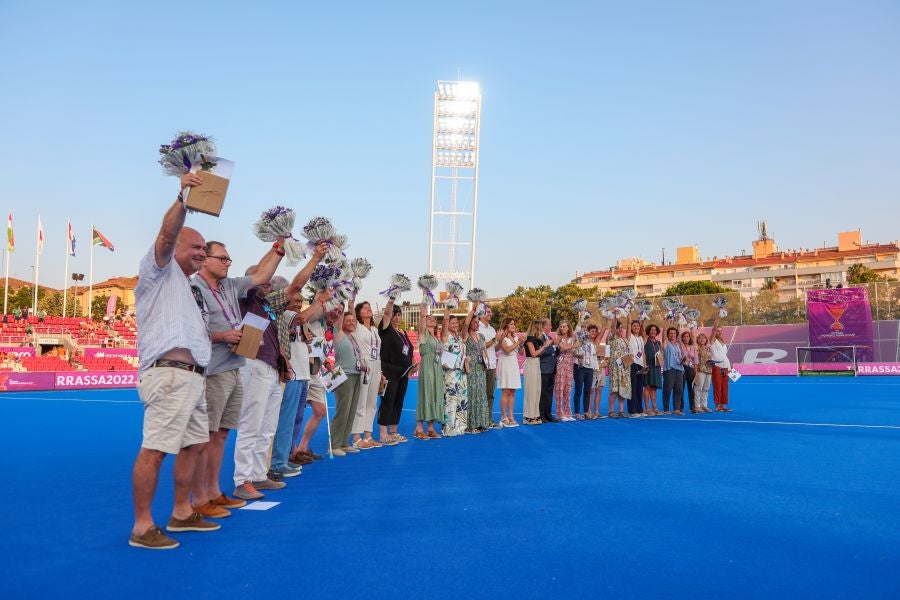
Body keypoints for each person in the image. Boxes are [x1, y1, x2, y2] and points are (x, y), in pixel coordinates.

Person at [129, 173, 217, 550]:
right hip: (168, 375)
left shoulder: (190, 286)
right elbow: (165, 236)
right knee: (156, 448)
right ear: (176, 243)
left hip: (193, 378)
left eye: (204, 248)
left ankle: (181, 512)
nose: (201, 252)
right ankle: (142, 526)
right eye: (195, 246)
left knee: (195, 445)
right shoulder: (157, 269)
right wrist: (184, 197)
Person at [189, 237, 304, 516]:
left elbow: (266, 274)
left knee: (229, 431)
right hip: (224, 366)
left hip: (242, 364)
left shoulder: (235, 290)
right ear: (206, 259)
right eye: (223, 258)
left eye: (229, 259)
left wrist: (279, 246)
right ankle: (232, 484)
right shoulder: (216, 290)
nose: (228, 263)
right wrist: (221, 335)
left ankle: (227, 486)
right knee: (220, 432)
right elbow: (190, 327)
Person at [232, 251, 324, 500]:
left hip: (272, 369)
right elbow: (294, 285)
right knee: (252, 425)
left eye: (269, 279)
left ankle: (260, 475)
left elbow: (296, 287)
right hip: (253, 365)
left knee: (267, 427)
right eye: (263, 278)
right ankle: (243, 479)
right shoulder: (244, 299)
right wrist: (313, 258)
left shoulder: (267, 305)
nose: (268, 282)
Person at [270, 291, 330, 474]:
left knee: (295, 420)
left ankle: (288, 454)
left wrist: (309, 340)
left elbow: (306, 337)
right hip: (292, 373)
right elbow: (303, 317)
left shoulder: (299, 323)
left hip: (304, 373)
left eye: (300, 301)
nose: (298, 304)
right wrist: (320, 300)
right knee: (286, 420)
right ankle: (277, 462)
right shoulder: (286, 316)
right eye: (295, 300)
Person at [291, 303, 343, 462]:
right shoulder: (314, 320)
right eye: (334, 309)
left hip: (316, 372)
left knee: (320, 411)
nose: (336, 313)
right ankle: (291, 450)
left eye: (340, 311)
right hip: (302, 370)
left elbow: (321, 350)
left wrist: (326, 361)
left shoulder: (329, 329)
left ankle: (302, 448)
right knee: (295, 413)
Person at [378, 298, 415, 445]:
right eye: (394, 314)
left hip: (404, 373)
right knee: (388, 401)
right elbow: (386, 314)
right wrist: (392, 298)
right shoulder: (386, 329)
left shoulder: (403, 332)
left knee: (398, 402)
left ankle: (393, 431)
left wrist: (413, 365)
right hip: (389, 371)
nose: (397, 317)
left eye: (399, 315)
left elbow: (409, 351)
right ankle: (383, 435)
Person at [329, 310, 363, 456]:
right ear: (341, 322)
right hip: (343, 375)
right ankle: (334, 445)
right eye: (348, 320)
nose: (351, 322)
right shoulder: (339, 334)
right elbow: (339, 317)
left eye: (353, 321)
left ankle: (344, 443)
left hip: (356, 375)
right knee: (342, 410)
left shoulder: (353, 338)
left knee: (351, 411)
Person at [349, 301, 383, 449]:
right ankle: (356, 437)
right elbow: (350, 308)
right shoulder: (357, 327)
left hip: (376, 363)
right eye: (364, 307)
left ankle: (368, 435)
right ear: (358, 312)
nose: (368, 309)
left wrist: (381, 372)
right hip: (364, 363)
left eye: (369, 307)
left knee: (372, 403)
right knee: (361, 402)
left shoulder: (375, 329)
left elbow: (379, 350)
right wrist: (352, 298)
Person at [414, 301, 444, 439]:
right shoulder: (423, 334)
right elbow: (422, 318)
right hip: (427, 366)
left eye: (434, 318)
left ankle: (431, 428)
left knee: (434, 394)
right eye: (429, 318)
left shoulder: (436, 338)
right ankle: (419, 429)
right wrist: (424, 302)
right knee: (425, 393)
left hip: (437, 367)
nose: (432, 319)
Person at [440, 304, 468, 436]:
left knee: (461, 399)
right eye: (453, 322)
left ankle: (460, 426)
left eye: (457, 322)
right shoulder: (445, 336)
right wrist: (449, 307)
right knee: (450, 399)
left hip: (461, 373)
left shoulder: (460, 338)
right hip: (450, 373)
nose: (456, 324)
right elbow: (444, 321)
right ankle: (449, 428)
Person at [463, 301, 489, 433]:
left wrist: (486, 363)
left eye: (478, 322)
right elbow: (466, 323)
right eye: (475, 322)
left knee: (481, 395)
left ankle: (481, 423)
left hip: (481, 369)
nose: (477, 324)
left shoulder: (482, 336)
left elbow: (484, 352)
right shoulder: (466, 336)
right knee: (472, 395)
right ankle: (470, 425)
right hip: (470, 369)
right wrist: (473, 310)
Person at [477, 305, 502, 429]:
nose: (490, 314)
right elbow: (481, 346)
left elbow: (495, 348)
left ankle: (488, 419)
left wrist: (499, 340)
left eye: (491, 312)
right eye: (488, 312)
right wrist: (494, 339)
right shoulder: (477, 328)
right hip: (481, 365)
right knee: (481, 394)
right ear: (481, 314)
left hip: (492, 364)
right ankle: (480, 419)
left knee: (490, 394)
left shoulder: (492, 328)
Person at [496, 317, 523, 426]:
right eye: (511, 324)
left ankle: (511, 416)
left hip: (513, 364)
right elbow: (507, 350)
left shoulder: (516, 337)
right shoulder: (502, 337)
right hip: (505, 363)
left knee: (513, 391)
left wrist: (521, 344)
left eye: (514, 324)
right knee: (505, 391)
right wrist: (518, 343)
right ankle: (503, 416)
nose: (514, 326)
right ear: (506, 325)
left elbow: (521, 353)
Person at [523, 320, 548, 425]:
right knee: (531, 390)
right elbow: (533, 354)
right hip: (531, 364)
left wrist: (544, 346)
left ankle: (535, 414)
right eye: (541, 327)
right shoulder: (529, 339)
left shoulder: (538, 340)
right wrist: (544, 346)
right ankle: (528, 416)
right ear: (536, 328)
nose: (542, 329)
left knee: (537, 390)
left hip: (537, 364)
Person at [572, 313, 597, 419]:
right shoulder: (579, 340)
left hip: (589, 369)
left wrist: (595, 369)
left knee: (588, 390)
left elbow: (594, 357)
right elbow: (577, 330)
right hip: (580, 367)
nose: (587, 334)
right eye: (586, 331)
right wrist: (580, 319)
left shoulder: (592, 344)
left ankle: (587, 412)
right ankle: (577, 413)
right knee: (578, 390)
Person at [553, 320, 578, 422]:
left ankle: (567, 413)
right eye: (561, 326)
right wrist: (575, 345)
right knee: (559, 390)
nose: (562, 328)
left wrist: (578, 355)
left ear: (568, 328)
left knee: (568, 390)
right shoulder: (557, 338)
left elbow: (572, 352)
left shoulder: (572, 338)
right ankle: (560, 413)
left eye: (564, 326)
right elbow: (562, 349)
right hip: (560, 366)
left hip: (569, 366)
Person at [606, 318, 631, 418]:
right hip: (615, 368)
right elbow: (612, 327)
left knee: (623, 389)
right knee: (614, 390)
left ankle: (621, 411)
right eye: (619, 328)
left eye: (622, 328)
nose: (621, 330)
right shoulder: (611, 338)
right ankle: (611, 411)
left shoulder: (625, 339)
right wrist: (615, 317)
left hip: (625, 368)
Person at [709, 317, 733, 412]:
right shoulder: (712, 341)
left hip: (726, 366)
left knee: (724, 386)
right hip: (717, 366)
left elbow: (724, 355)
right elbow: (713, 329)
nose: (719, 332)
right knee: (717, 386)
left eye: (721, 331)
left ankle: (723, 405)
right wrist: (718, 317)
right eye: (718, 331)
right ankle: (717, 405)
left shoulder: (723, 342)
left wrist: (730, 365)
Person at [661, 326, 685, 415]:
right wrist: (667, 321)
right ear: (667, 335)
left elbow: (679, 356)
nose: (673, 335)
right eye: (670, 333)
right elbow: (663, 335)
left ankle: (677, 409)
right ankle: (666, 409)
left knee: (679, 390)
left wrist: (683, 359)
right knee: (667, 389)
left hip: (679, 369)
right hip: (669, 369)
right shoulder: (666, 343)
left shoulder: (678, 345)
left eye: (674, 333)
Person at [538, 318, 558, 423]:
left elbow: (554, 351)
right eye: (549, 325)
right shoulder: (540, 337)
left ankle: (548, 414)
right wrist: (554, 346)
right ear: (543, 326)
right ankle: (541, 415)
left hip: (551, 369)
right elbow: (541, 352)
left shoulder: (549, 337)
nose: (551, 327)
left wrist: (556, 346)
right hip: (544, 369)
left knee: (549, 392)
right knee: (543, 393)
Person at [627, 321, 646, 417]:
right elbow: (628, 324)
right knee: (633, 387)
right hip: (632, 363)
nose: (636, 327)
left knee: (639, 388)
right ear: (631, 327)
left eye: (638, 326)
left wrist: (645, 365)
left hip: (640, 364)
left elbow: (643, 352)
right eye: (634, 326)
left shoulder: (641, 338)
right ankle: (632, 410)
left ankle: (639, 409)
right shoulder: (629, 336)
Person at [643, 324, 662, 416]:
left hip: (656, 367)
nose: (653, 332)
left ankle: (654, 407)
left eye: (654, 330)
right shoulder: (645, 339)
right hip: (648, 366)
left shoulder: (659, 343)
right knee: (647, 386)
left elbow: (660, 354)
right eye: (651, 330)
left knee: (654, 387)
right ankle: (647, 408)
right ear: (648, 331)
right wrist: (643, 320)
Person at [679, 330, 698, 413]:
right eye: (684, 336)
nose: (686, 338)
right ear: (682, 338)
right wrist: (678, 325)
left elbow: (696, 359)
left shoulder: (693, 347)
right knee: (681, 388)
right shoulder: (680, 346)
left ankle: (692, 407)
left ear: (689, 338)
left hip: (691, 369)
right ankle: (680, 407)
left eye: (687, 336)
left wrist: (696, 371)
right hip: (682, 368)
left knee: (691, 388)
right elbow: (678, 338)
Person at [694, 333, 713, 413]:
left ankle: (704, 405)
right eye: (700, 338)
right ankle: (697, 406)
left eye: (704, 338)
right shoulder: (696, 348)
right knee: (699, 388)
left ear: (706, 340)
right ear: (697, 340)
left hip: (709, 370)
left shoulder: (709, 348)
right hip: (700, 370)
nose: (702, 339)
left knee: (706, 389)